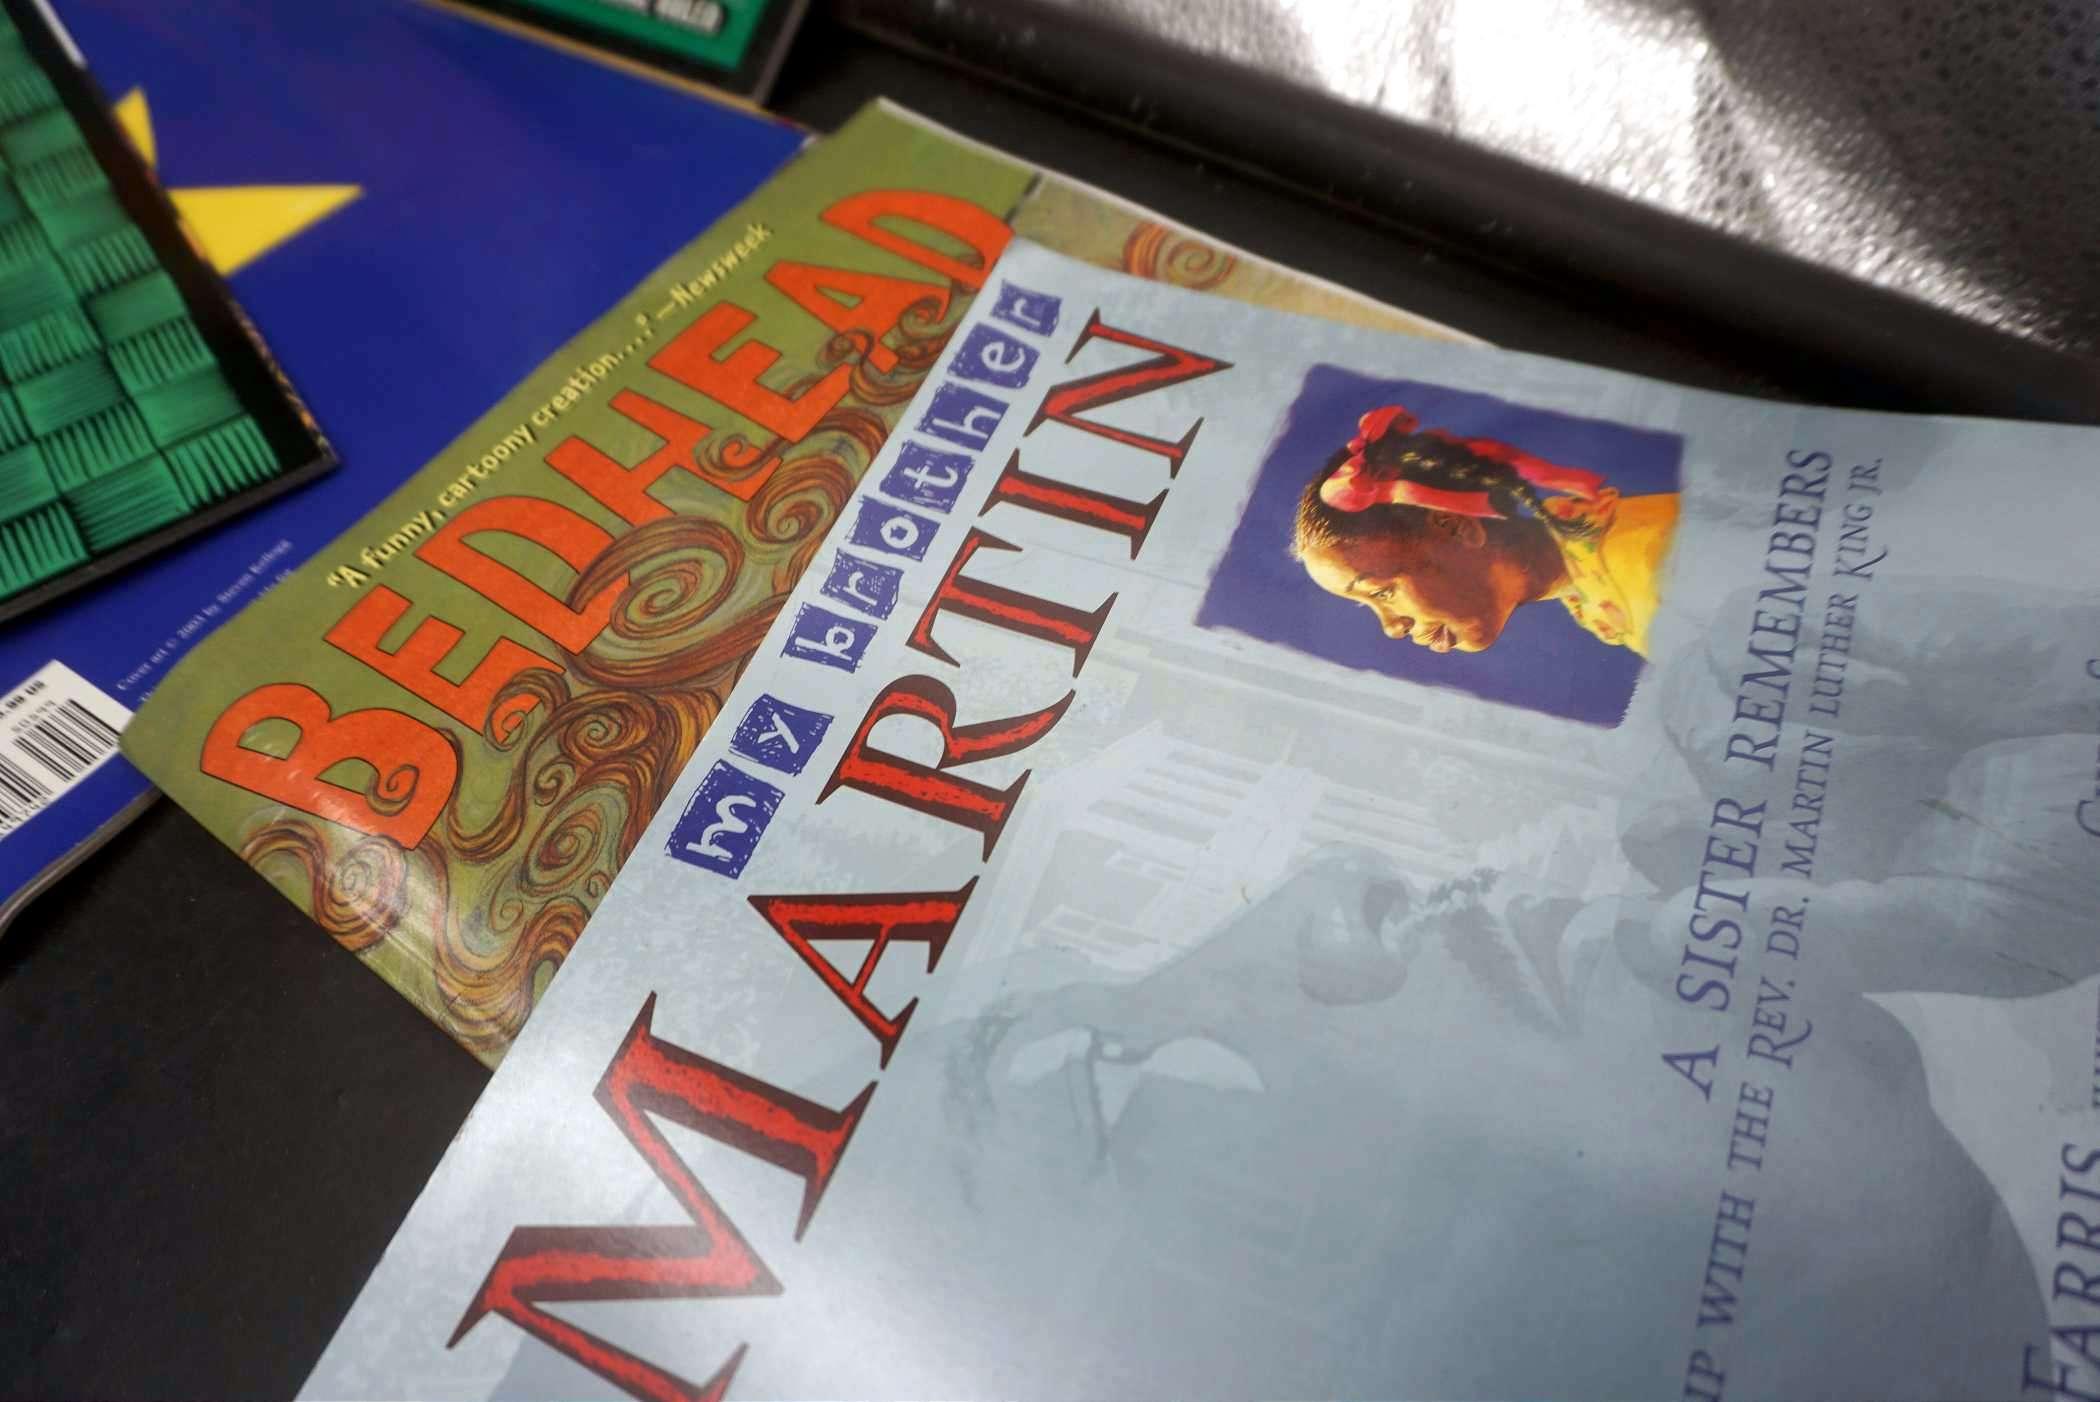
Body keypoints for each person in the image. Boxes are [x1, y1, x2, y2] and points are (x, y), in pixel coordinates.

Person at [1292, 404, 1679, 656]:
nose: (1392, 627)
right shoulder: (1597, 579)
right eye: (1369, 604)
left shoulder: (1650, 565)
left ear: (1454, 526)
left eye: (1381, 591)